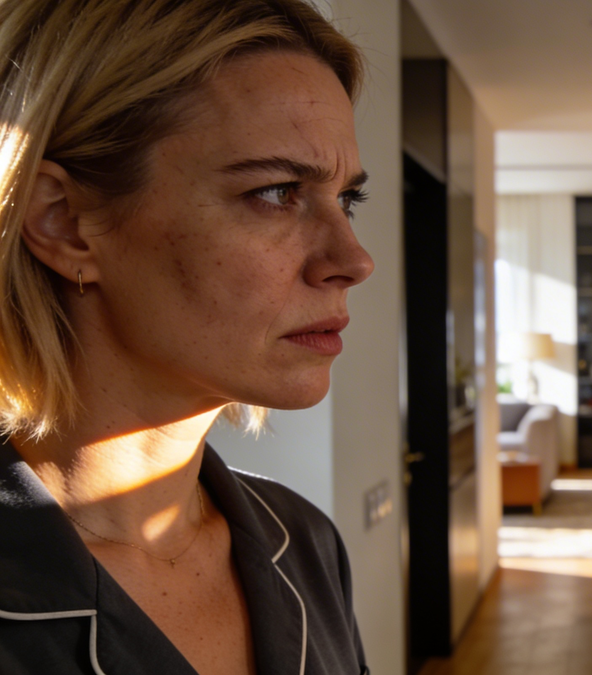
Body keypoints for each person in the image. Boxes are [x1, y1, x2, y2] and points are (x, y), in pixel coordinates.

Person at [0, 0, 374, 672]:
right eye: (277, 191)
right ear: (63, 221)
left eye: (347, 199)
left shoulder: (304, 541)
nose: (353, 259)